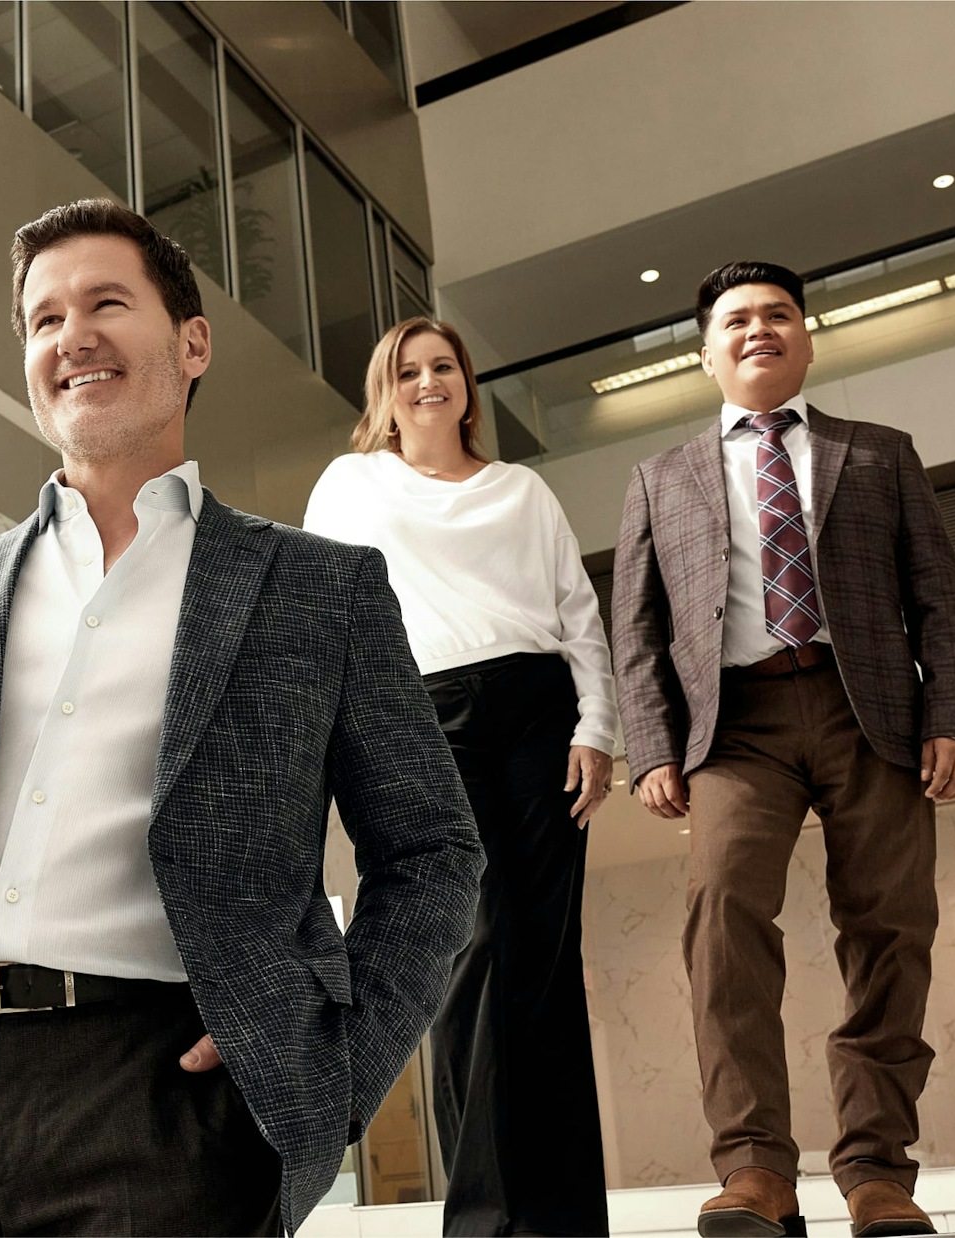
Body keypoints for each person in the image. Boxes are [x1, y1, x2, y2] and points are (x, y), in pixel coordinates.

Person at [0, 198, 484, 1238]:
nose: (71, 336)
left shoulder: (317, 589)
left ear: (191, 341)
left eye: (106, 301)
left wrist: (330, 1064)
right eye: (42, 318)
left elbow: (432, 852)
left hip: (167, 1103)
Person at [613, 261, 955, 1238]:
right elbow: (636, 627)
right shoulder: (661, 478)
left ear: (805, 337)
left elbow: (936, 596)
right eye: (736, 318)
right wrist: (649, 742)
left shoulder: (879, 452)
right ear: (706, 352)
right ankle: (753, 1169)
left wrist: (953, 714)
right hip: (735, 730)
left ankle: (875, 1170)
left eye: (777, 314)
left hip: (875, 717)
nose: (757, 328)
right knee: (722, 914)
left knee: (890, 928)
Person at [304, 316, 616, 1235]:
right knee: (471, 948)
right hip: (420, 717)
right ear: (385, 392)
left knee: (548, 963)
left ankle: (566, 1220)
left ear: (468, 387)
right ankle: (485, 1222)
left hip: (538, 713)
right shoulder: (353, 483)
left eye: (445, 367)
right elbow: (324, 615)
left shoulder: (523, 490)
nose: (429, 381)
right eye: (409, 371)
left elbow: (577, 615)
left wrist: (598, 725)